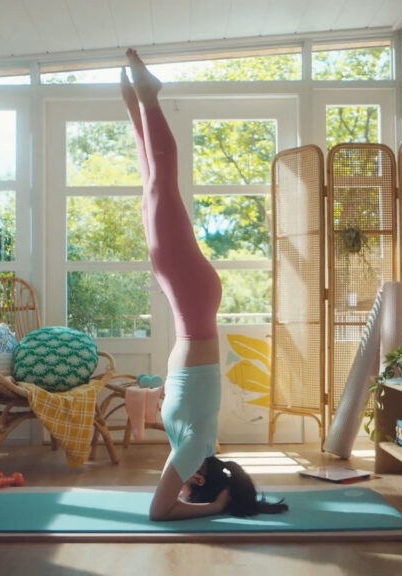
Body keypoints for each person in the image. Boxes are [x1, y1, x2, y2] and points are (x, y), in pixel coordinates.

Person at [120, 48, 287, 521]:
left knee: (152, 189)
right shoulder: (195, 449)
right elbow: (159, 513)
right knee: (161, 184)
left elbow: (167, 498)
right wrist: (215, 508)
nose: (178, 486)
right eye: (188, 489)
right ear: (197, 480)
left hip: (188, 303)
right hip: (191, 305)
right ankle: (149, 98)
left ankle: (137, 106)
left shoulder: (188, 447)